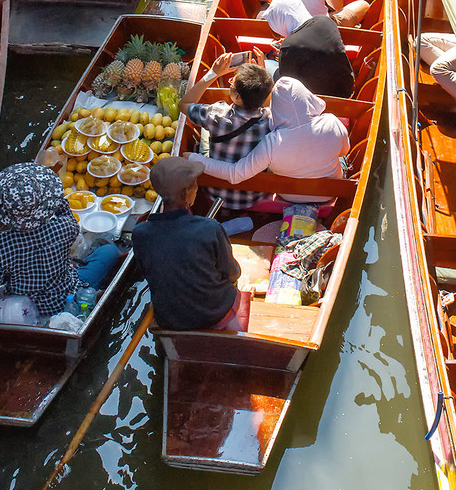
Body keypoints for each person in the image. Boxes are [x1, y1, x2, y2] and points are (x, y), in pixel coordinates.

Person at [0, 163, 121, 318]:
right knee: (110, 251)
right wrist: (51, 192)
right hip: (65, 296)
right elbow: (64, 210)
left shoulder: (1, 244)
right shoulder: (65, 227)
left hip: (23, 306)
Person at [188, 76, 350, 202]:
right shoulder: (332, 122)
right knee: (340, 156)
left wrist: (193, 158)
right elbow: (345, 150)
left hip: (289, 195)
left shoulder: (271, 142)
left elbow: (236, 173)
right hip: (328, 193)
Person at [132, 157, 249, 331]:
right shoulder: (210, 228)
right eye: (195, 184)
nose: (197, 188)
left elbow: (146, 272)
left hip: (170, 318)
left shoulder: (140, 233)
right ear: (187, 191)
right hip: (215, 313)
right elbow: (233, 273)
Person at [178, 51, 273, 211]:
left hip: (215, 193)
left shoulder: (216, 115)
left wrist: (213, 73)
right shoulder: (271, 120)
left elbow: (184, 104)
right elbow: (267, 104)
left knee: (203, 136)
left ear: (237, 96)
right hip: (254, 196)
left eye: (231, 84)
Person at [260, 0, 355, 98]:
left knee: (267, 65)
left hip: (319, 100)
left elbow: (286, 85)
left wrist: (265, 65)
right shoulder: (326, 21)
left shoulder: (289, 46)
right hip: (346, 89)